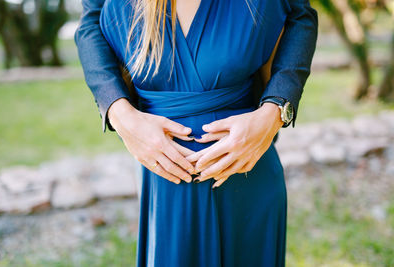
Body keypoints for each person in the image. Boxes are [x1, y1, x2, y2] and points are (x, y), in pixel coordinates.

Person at [75, 0, 318, 266]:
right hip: (163, 179)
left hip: (247, 174)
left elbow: (301, 16)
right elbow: (91, 22)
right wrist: (117, 111)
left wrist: (276, 108)